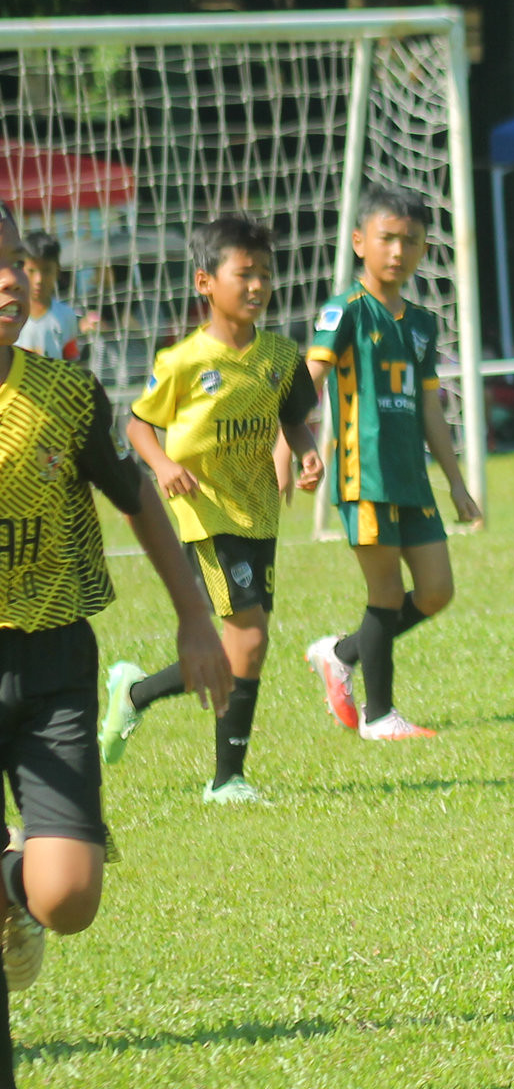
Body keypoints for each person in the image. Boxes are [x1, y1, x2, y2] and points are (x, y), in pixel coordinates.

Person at [0, 200, 233, 1089]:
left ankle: (12, 891)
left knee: (67, 897)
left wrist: (193, 618)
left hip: (54, 660)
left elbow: (138, 499)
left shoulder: (63, 396)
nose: (8, 279)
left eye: (12, 260)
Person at [99, 217, 324, 803]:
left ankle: (135, 693)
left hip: (259, 514)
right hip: (206, 513)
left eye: (266, 275)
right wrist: (164, 464)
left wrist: (305, 453)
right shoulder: (183, 361)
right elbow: (138, 424)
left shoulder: (279, 355)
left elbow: (293, 416)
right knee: (249, 640)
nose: (257, 286)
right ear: (205, 281)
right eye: (243, 274)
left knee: (239, 647)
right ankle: (228, 780)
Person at [301, 185, 483, 743]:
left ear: (425, 248)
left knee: (435, 591)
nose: (398, 250)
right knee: (383, 595)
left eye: (411, 240)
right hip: (366, 477)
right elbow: (309, 381)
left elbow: (429, 407)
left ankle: (341, 653)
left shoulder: (423, 324)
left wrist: (456, 483)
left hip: (412, 479)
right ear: (359, 242)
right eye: (387, 238)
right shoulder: (345, 311)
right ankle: (380, 718)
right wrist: (294, 447)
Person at [16, 233, 79, 363]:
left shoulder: (66, 315)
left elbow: (72, 363)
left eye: (46, 271)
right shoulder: (8, 314)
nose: (39, 280)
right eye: (31, 271)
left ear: (57, 271)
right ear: (20, 269)